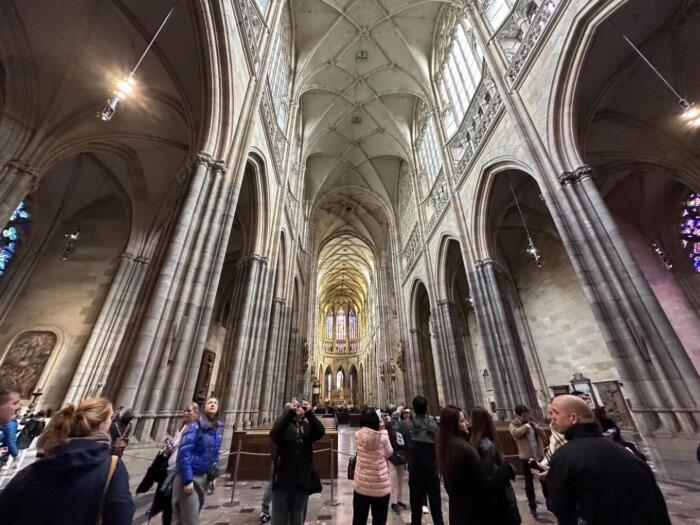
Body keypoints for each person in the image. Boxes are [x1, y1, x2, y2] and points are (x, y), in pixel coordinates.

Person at [0, 397, 134, 524]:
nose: (112, 421)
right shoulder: (111, 468)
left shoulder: (38, 466)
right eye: (110, 418)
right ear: (102, 424)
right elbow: (121, 516)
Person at [547, 395, 671, 525]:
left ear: (573, 418)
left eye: (555, 413)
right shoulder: (626, 453)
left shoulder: (565, 456)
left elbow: (562, 508)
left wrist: (557, 475)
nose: (551, 418)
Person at [436, 406, 516, 525]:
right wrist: (506, 469)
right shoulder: (463, 450)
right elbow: (485, 487)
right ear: (453, 426)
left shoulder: (446, 447)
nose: (467, 423)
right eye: (462, 421)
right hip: (475, 515)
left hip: (459, 514)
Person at [138, 403, 200, 525]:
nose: (185, 413)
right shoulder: (182, 428)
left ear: (196, 414)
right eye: (184, 410)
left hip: (180, 473)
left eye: (189, 411)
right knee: (168, 507)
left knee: (174, 508)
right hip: (170, 469)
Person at [270, 395, 325, 525]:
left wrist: (309, 413)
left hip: (301, 482)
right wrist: (290, 413)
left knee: (298, 518)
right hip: (282, 482)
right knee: (279, 519)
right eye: (296, 406)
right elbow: (275, 434)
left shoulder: (306, 427)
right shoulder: (283, 424)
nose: (299, 408)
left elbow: (320, 432)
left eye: (301, 406)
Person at [173, 397, 224, 525]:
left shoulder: (218, 428)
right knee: (190, 519)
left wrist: (213, 475)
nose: (212, 405)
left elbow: (214, 454)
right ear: (204, 407)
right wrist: (187, 479)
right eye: (210, 403)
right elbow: (184, 452)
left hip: (204, 477)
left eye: (215, 403)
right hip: (191, 476)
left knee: (188, 516)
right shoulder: (195, 426)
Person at [394, 396, 444, 525]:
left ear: (413, 409)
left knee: (416, 511)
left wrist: (397, 412)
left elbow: (394, 425)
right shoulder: (433, 424)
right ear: (427, 408)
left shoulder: (407, 424)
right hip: (432, 471)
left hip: (416, 471)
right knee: (437, 509)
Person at [470, 407, 520, 524]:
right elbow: (494, 477)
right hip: (498, 497)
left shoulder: (474, 443)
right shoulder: (486, 445)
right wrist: (507, 469)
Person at [352, 408, 393, 525]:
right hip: (380, 485)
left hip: (362, 484)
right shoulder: (383, 437)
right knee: (379, 520)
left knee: (359, 520)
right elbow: (390, 453)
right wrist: (383, 431)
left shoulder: (358, 435)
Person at [509, 404, 547, 518]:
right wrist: (525, 426)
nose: (526, 417)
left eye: (527, 415)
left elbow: (544, 437)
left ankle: (550, 502)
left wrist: (539, 429)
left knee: (544, 480)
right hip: (527, 458)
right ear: (518, 415)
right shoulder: (514, 424)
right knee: (529, 481)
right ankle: (532, 506)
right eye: (524, 415)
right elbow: (516, 434)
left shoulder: (533, 423)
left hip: (539, 456)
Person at [385, 412, 408, 514]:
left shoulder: (401, 426)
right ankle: (394, 502)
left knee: (398, 479)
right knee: (394, 480)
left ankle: (398, 500)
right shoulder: (389, 428)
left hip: (399, 456)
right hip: (394, 456)